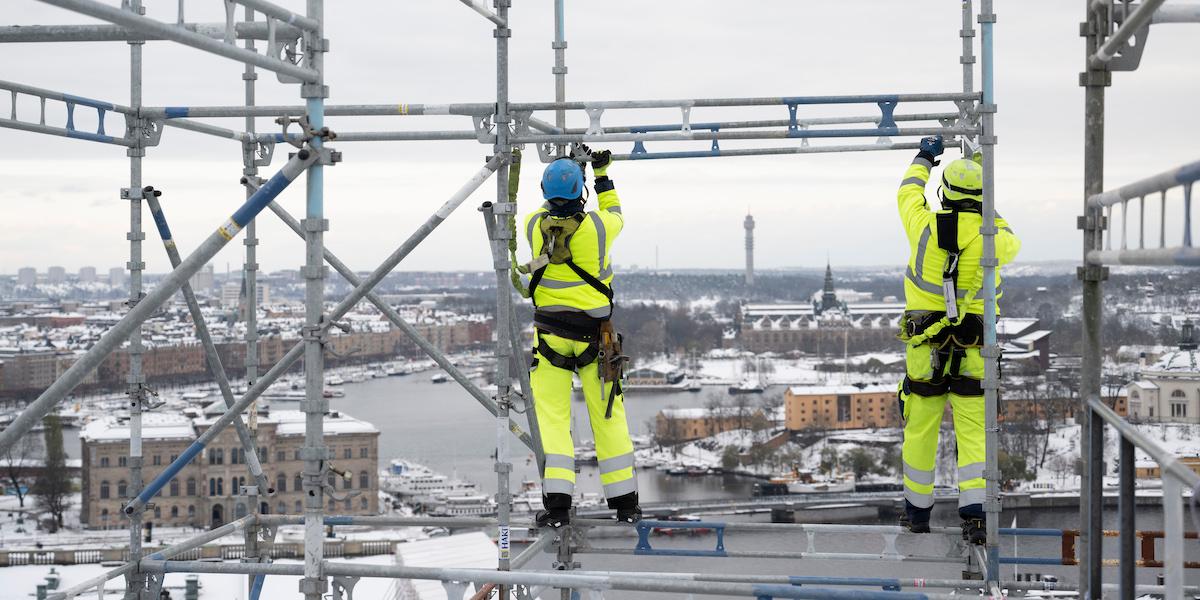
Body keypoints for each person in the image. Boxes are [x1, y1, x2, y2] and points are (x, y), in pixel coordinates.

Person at [896, 136, 1021, 544]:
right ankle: (976, 517)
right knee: (974, 433)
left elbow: (908, 190)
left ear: (944, 194)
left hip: (925, 349)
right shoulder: (996, 238)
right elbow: (1005, 230)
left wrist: (926, 156)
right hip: (974, 351)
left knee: (920, 431)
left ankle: (916, 514)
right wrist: (982, 174)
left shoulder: (923, 226)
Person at [523, 146, 640, 528]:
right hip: (596, 339)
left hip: (550, 337)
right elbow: (615, 212)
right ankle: (625, 504)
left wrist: (571, 169)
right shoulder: (600, 229)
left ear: (544, 191)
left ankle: (558, 506)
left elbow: (549, 209)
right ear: (580, 192)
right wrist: (599, 172)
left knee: (553, 420)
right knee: (608, 416)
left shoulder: (531, 225)